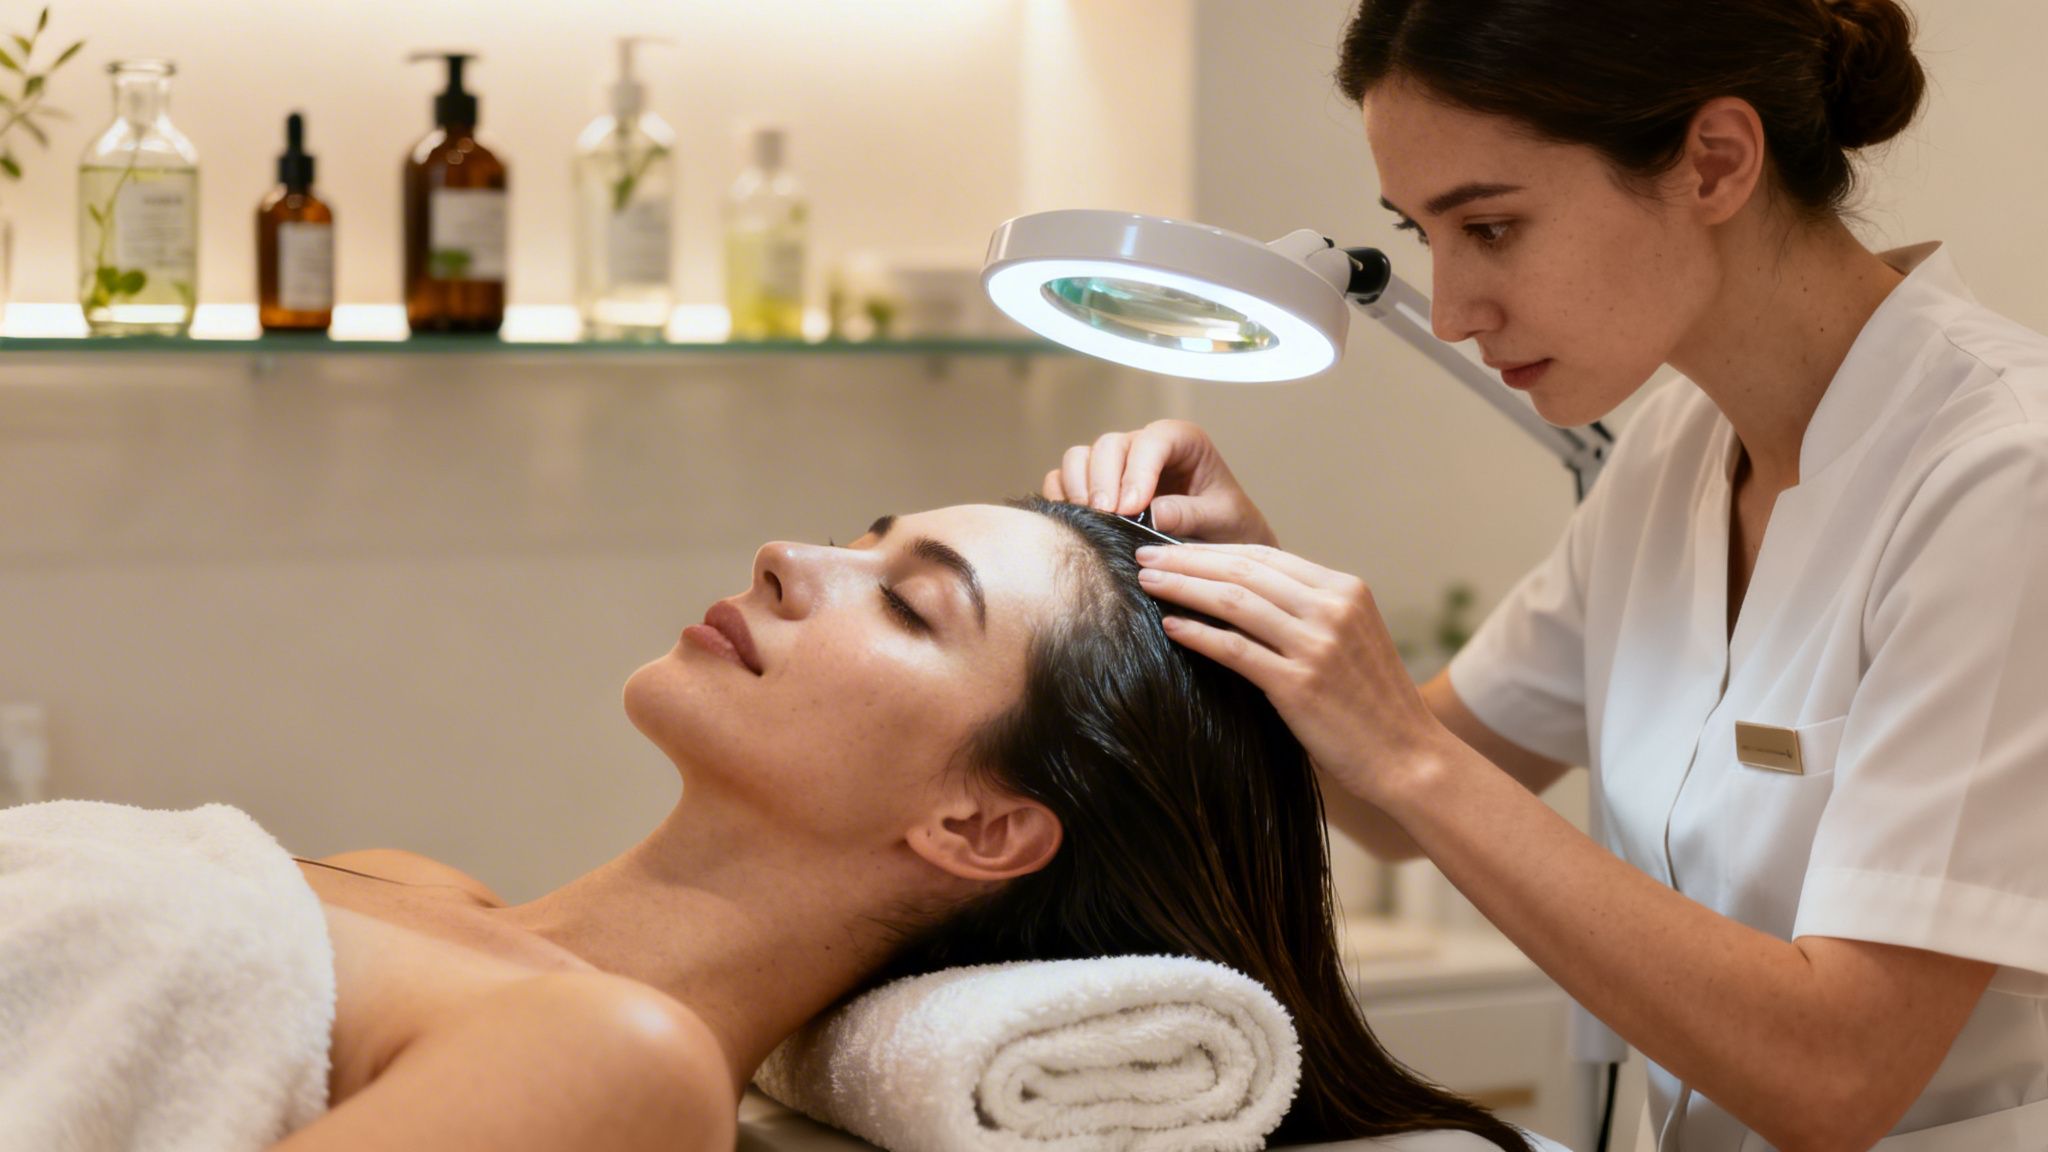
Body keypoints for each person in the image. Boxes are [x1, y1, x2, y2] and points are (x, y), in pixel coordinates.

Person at [1044, 0, 2048, 1147]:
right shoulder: (1669, 458)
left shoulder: (2006, 476)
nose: (1460, 313)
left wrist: (1409, 754)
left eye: (1493, 227)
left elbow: (1837, 1073)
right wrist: (1240, 583)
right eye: (1425, 236)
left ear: (1713, 161)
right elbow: (1391, 807)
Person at [112, 498, 1531, 1150]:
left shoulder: (618, 1068)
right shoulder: (413, 885)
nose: (790, 559)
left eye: (912, 601)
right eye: (864, 541)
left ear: (982, 828)